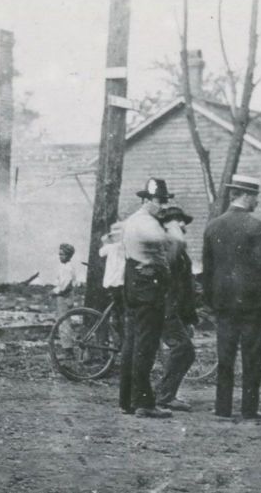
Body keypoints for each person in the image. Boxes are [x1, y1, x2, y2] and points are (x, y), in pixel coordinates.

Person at [201, 174, 261, 421]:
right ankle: (249, 408)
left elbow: (207, 268)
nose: (257, 202)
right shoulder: (255, 226)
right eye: (255, 196)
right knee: (252, 355)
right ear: (246, 196)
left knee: (225, 354)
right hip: (251, 303)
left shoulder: (213, 225)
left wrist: (210, 299)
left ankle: (222, 406)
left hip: (223, 302)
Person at [119, 177, 179, 418]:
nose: (163, 206)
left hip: (134, 283)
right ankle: (143, 402)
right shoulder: (149, 223)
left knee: (132, 344)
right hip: (148, 287)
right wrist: (172, 226)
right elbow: (172, 243)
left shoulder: (133, 221)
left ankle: (127, 400)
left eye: (164, 201)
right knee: (145, 345)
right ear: (146, 200)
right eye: (159, 201)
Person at [155, 204, 198, 413]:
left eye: (183, 220)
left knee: (182, 350)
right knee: (183, 349)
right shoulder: (169, 245)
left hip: (173, 308)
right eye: (177, 220)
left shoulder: (176, 247)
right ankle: (164, 396)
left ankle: (165, 394)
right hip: (165, 307)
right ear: (166, 225)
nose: (183, 224)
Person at [98, 224, 126, 340]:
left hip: (110, 283)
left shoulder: (110, 247)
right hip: (120, 282)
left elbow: (101, 253)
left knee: (115, 313)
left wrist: (105, 241)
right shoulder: (123, 246)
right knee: (121, 313)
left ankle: (117, 339)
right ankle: (120, 339)